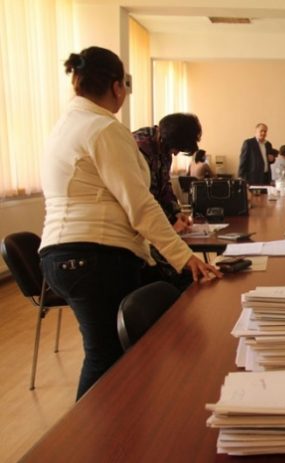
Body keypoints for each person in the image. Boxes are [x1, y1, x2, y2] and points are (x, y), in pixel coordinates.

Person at [39, 46, 222, 400]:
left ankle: (118, 422)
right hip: (94, 257)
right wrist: (184, 257)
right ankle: (89, 432)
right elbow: (140, 204)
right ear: (117, 86)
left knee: (112, 353)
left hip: (62, 255)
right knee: (105, 356)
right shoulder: (104, 129)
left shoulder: (66, 125)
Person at [133, 113, 202, 233]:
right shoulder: (140, 147)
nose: (175, 154)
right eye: (177, 148)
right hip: (133, 220)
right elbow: (146, 194)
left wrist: (177, 214)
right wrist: (170, 223)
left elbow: (165, 187)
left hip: (149, 215)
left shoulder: (164, 147)